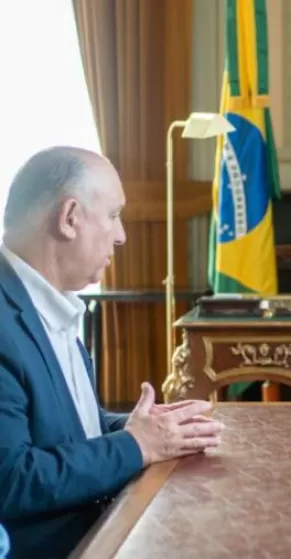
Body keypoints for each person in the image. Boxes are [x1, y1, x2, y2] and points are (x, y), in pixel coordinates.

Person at [0, 147, 225, 558]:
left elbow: (65, 431)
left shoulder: (48, 304)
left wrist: (151, 428)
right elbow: (12, 480)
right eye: (113, 215)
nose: (121, 235)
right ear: (69, 218)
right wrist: (137, 445)